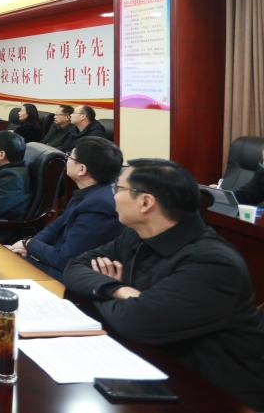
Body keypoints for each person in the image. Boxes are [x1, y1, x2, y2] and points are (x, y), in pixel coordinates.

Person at [64, 159, 264, 410]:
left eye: (118, 188)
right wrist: (117, 289)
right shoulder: (136, 235)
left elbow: (135, 322)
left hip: (215, 396)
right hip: (150, 369)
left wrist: (106, 295)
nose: (113, 196)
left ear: (146, 202)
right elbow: (74, 268)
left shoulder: (213, 263)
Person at [7, 137, 123, 279]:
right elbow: (56, 226)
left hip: (67, 276)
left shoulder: (99, 205)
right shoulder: (90, 193)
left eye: (70, 156)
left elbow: (66, 260)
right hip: (54, 261)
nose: (67, 159)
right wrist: (27, 245)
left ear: (82, 169)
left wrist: (30, 245)